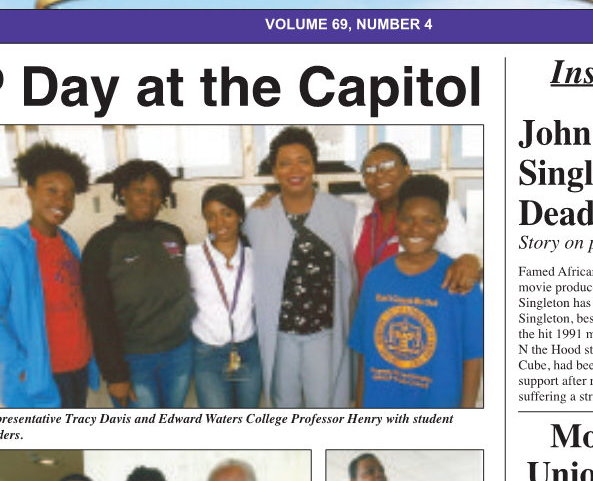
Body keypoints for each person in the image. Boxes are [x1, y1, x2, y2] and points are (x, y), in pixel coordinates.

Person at [243, 126, 357, 408]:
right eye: (285, 163)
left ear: (314, 166)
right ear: (275, 170)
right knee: (285, 408)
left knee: (325, 406)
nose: (295, 169)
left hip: (324, 334)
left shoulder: (345, 213)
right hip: (280, 336)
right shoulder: (257, 216)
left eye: (303, 160)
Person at [350, 176, 483, 409]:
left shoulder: (461, 281)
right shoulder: (375, 279)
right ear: (397, 222)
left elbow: (473, 358)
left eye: (428, 221)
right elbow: (365, 353)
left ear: (443, 225)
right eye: (408, 219)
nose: (416, 229)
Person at [0, 140, 95, 410]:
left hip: (77, 369)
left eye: (69, 195)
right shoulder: (10, 247)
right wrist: (19, 365)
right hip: (40, 377)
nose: (61, 202)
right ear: (30, 190)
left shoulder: (68, 243)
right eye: (51, 190)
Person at [81, 159, 194, 408]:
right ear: (123, 191)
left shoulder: (173, 235)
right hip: (133, 360)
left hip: (178, 353)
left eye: (156, 194)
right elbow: (98, 315)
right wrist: (116, 374)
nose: (148, 199)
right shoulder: (102, 244)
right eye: (140, 190)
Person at [354, 142, 481, 291]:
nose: (379, 173)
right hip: (368, 308)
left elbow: (463, 260)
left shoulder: (438, 207)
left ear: (407, 171)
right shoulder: (359, 214)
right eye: (369, 170)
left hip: (417, 307)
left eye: (388, 165)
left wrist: (472, 261)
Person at [185, 184, 262, 408]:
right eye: (211, 216)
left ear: (239, 215)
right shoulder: (191, 256)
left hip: (247, 350)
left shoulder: (254, 257)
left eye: (227, 213)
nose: (219, 223)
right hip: (208, 353)